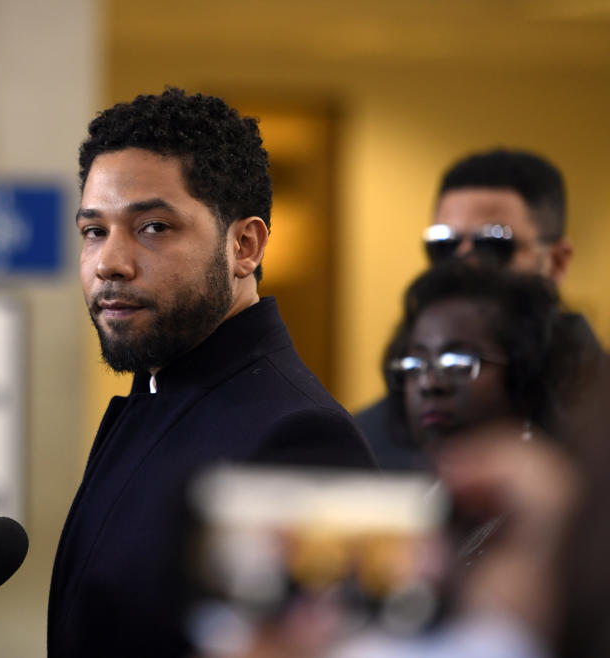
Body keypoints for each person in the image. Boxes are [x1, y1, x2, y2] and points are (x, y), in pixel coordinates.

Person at [48, 88, 375, 658]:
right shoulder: (153, 396)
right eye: (94, 231)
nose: (109, 263)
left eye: (152, 227)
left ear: (244, 246)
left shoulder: (299, 436)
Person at [355, 148, 602, 469]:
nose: (465, 264)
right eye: (444, 246)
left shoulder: (598, 418)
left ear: (557, 261)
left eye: (493, 245)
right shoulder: (367, 439)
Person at [384, 263, 585, 458]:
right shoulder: (393, 483)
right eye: (415, 365)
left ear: (526, 374)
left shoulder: (576, 487)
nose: (430, 384)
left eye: (458, 363)